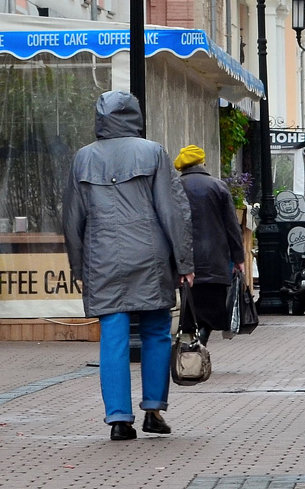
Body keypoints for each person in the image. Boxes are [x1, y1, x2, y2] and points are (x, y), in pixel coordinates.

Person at [61, 90, 194, 441]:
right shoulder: (153, 152)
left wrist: (79, 268)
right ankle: (153, 410)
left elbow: (72, 219)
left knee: (114, 338)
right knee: (155, 333)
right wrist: (184, 261)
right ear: (136, 116)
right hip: (150, 256)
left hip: (102, 257)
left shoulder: (83, 158)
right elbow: (173, 211)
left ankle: (119, 419)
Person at [173, 145, 245, 345]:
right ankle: (200, 342)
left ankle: (192, 346)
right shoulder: (218, 186)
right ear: (203, 163)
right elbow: (232, 226)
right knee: (212, 310)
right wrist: (238, 258)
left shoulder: (175, 187)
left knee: (190, 307)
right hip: (215, 260)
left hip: (185, 259)